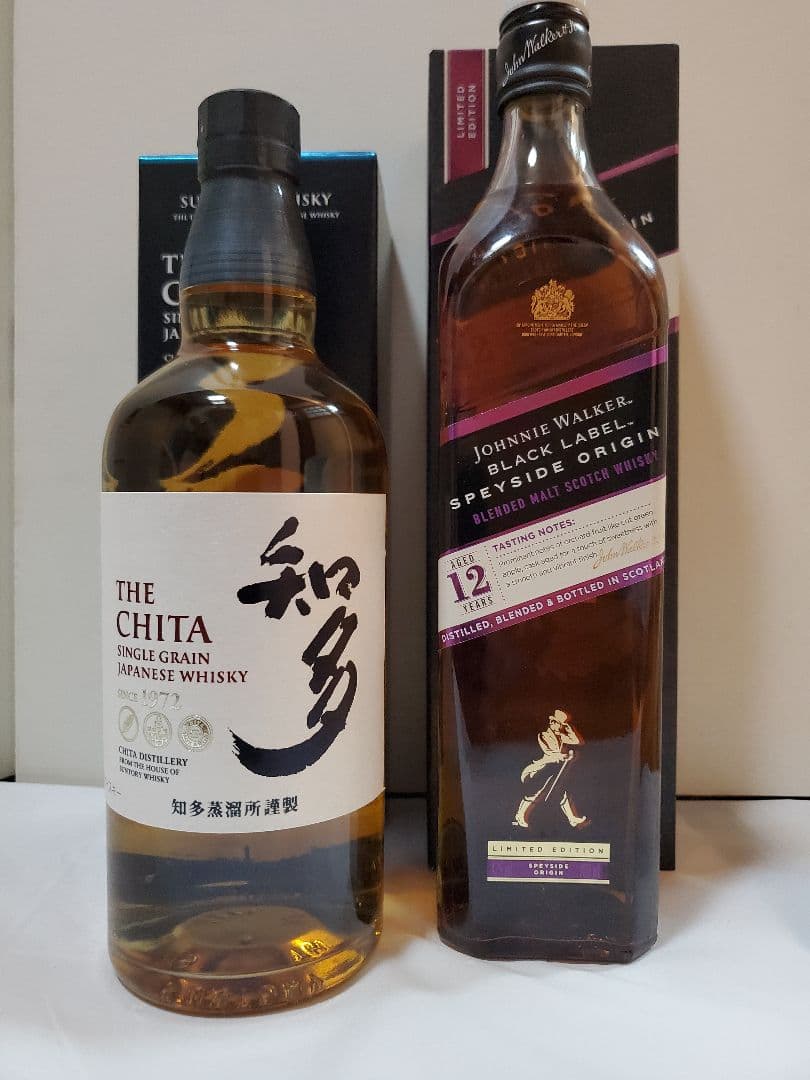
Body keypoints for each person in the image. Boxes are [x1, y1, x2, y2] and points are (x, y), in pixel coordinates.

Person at [513, 708, 589, 829]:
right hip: (541, 768)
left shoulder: (561, 736)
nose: (559, 726)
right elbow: (550, 753)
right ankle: (520, 816)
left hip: (554, 769)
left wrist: (568, 728)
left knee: (562, 792)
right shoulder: (544, 735)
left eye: (561, 724)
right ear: (552, 722)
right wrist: (564, 756)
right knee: (536, 792)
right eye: (557, 723)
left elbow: (577, 741)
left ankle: (572, 819)